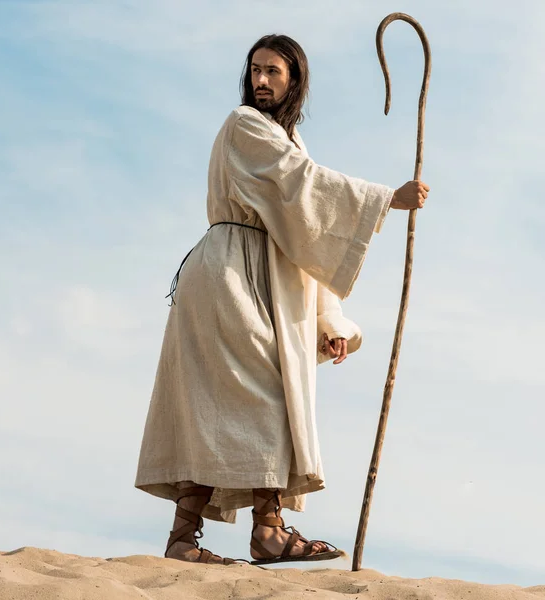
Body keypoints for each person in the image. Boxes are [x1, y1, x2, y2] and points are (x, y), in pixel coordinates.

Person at [135, 34, 430, 565]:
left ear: (295, 80)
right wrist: (387, 198)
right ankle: (253, 533)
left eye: (273, 71)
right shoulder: (244, 126)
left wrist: (329, 319)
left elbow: (303, 234)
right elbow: (303, 185)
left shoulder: (289, 139)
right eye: (255, 70)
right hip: (228, 271)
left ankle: (218, 535)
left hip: (266, 274)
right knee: (264, 394)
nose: (261, 81)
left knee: (239, 402)